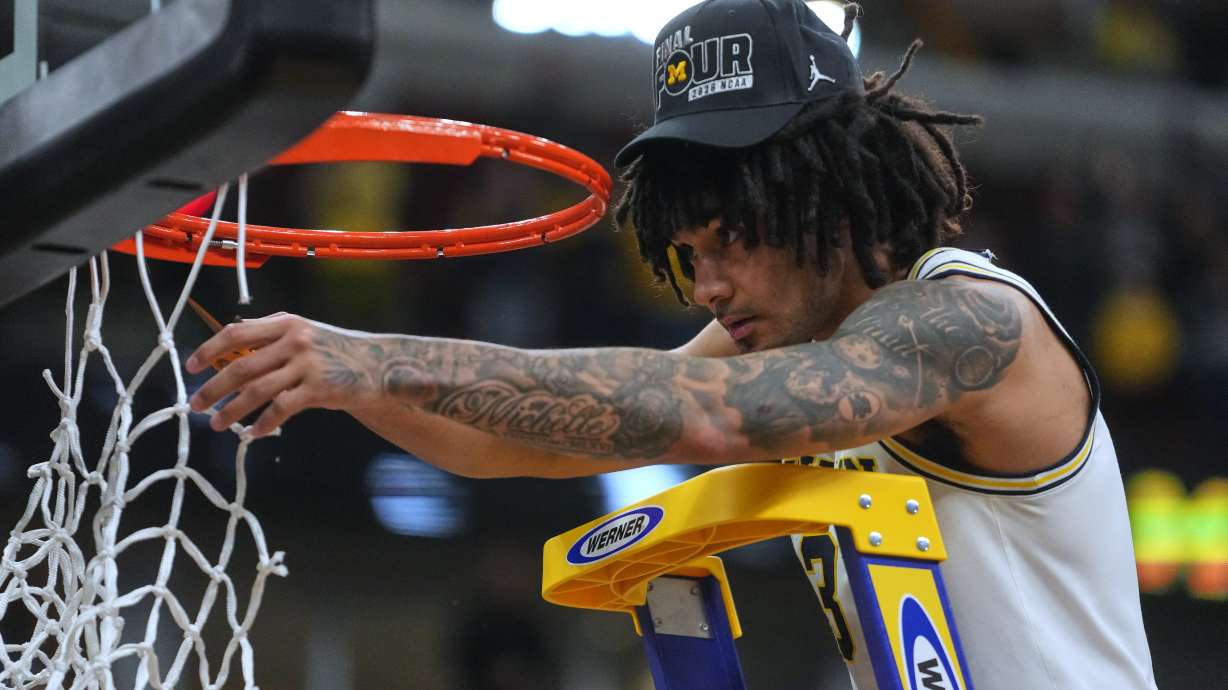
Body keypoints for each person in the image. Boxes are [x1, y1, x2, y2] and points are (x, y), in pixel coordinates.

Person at [185, 1, 1157, 687]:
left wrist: (376, 356)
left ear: (817, 193)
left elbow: (699, 413)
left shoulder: (971, 324)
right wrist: (326, 374)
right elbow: (509, 441)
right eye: (688, 254)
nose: (708, 286)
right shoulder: (794, 339)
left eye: (731, 241)